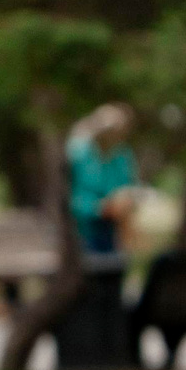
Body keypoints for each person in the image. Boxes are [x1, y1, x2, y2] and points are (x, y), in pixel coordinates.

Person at [66, 104, 139, 256]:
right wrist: (100, 208)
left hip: (115, 231)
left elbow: (128, 187)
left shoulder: (122, 156)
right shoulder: (79, 154)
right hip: (84, 230)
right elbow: (74, 197)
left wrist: (125, 202)